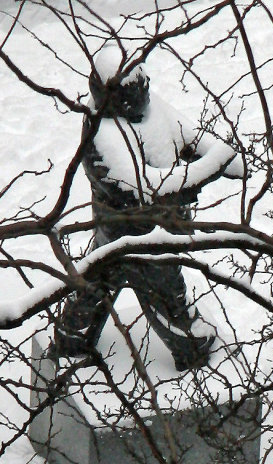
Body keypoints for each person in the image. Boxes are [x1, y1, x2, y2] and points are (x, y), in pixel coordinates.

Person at [49, 47, 244, 371]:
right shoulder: (101, 134)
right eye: (133, 91)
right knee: (170, 305)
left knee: (94, 284)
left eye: (143, 88)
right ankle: (193, 348)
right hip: (139, 239)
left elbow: (200, 142)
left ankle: (72, 335)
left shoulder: (153, 114)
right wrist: (208, 170)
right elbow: (144, 190)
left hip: (133, 234)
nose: (141, 95)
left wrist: (220, 158)